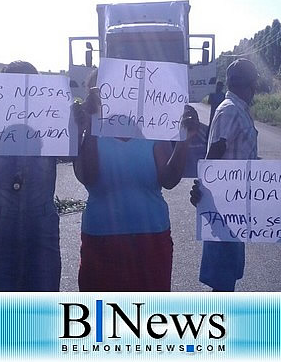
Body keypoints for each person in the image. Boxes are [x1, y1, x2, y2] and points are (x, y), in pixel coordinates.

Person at [73, 70, 200, 291]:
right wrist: (91, 125)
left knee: (149, 316)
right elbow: (88, 177)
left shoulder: (150, 129)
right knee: (101, 318)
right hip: (101, 240)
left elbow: (168, 180)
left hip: (151, 238)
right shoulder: (88, 132)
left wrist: (184, 141)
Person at [0, 61, 63, 292]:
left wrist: (80, 121)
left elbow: (76, 155)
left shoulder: (52, 119)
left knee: (42, 309)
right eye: (13, 85)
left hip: (41, 224)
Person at [196, 58, 259, 292]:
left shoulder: (237, 108)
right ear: (248, 84)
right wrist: (205, 192)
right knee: (223, 276)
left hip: (235, 203)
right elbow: (216, 150)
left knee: (228, 272)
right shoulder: (231, 110)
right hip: (226, 204)